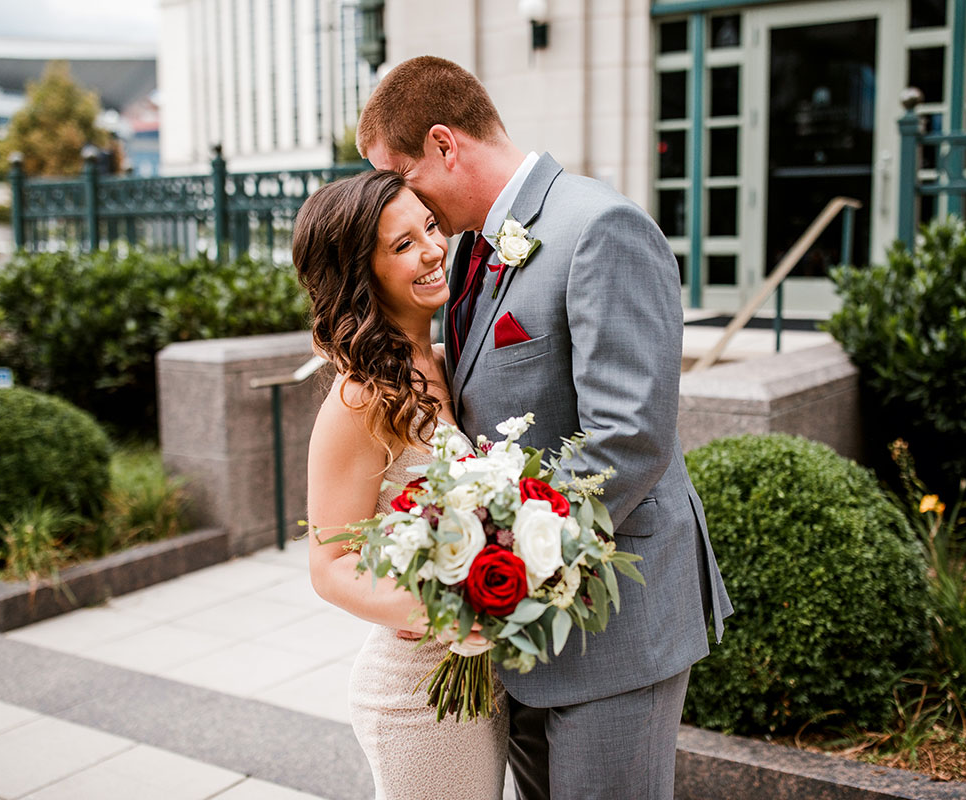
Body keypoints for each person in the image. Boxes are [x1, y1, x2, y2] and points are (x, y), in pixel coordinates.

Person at [356, 56, 732, 800]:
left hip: (613, 625)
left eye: (401, 173)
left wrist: (491, 562)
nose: (401, 197)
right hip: (520, 633)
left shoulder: (597, 226)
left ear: (444, 144)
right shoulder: (469, 249)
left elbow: (629, 436)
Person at [293, 169, 509, 800]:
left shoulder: (443, 361)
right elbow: (329, 564)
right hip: (416, 698)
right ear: (363, 273)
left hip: (480, 680)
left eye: (431, 227)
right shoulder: (359, 399)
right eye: (402, 245)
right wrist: (445, 610)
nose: (434, 249)